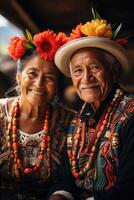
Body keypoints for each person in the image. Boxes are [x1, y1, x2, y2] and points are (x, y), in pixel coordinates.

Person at [54, 16, 134, 200]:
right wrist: (59, 196)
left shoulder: (131, 114)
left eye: (95, 67)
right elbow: (64, 178)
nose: (86, 78)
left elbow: (129, 188)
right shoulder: (76, 122)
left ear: (113, 72)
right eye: (78, 70)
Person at [0, 30, 77, 200]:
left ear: (57, 86)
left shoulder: (71, 123)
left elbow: (66, 179)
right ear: (19, 77)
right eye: (32, 74)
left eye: (49, 77)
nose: (39, 84)